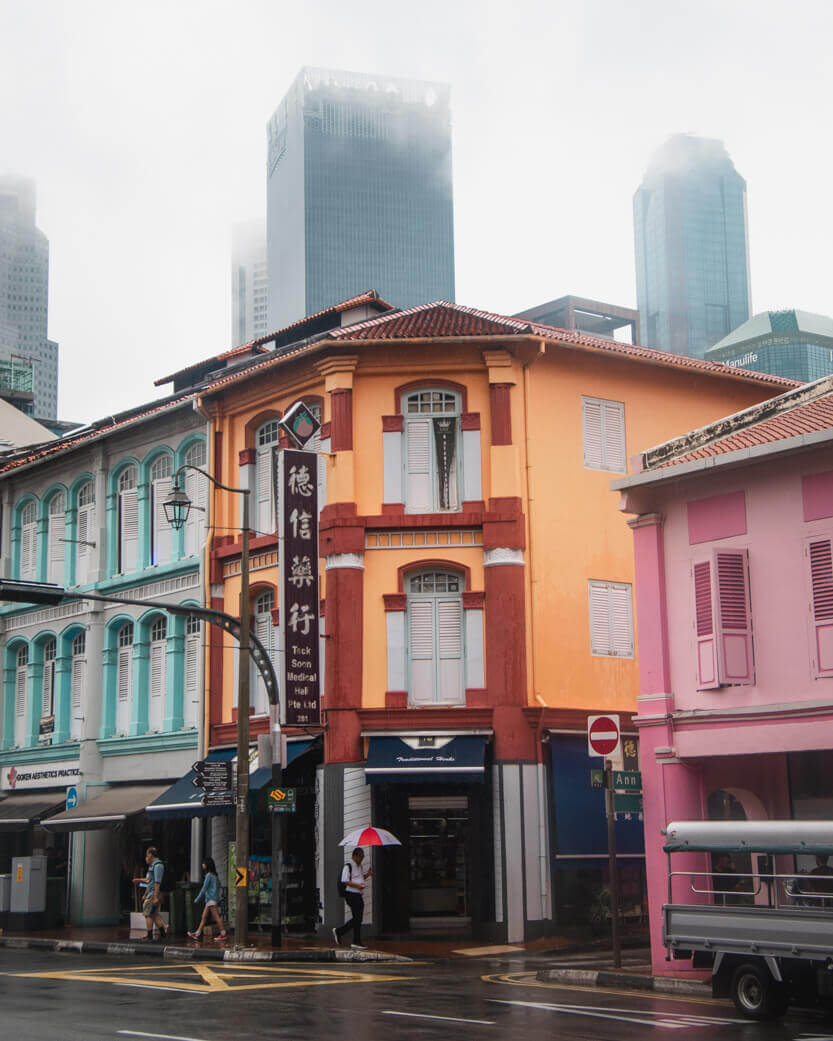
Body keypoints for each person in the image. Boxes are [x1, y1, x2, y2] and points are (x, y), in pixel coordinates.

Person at [332, 847, 372, 950]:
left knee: (358, 918)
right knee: (357, 918)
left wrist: (368, 874)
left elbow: (360, 878)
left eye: (363, 857)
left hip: (358, 894)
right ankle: (346, 935)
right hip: (351, 894)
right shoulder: (348, 866)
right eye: (361, 857)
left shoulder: (359, 866)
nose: (362, 859)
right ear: (355, 856)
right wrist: (357, 886)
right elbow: (345, 881)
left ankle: (352, 939)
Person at [132, 846, 168, 941]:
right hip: (152, 892)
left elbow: (157, 882)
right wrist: (139, 880)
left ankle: (149, 935)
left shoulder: (158, 866)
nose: (146, 858)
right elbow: (150, 881)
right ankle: (163, 933)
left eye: (147, 855)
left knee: (148, 914)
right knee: (154, 914)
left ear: (150, 855)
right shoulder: (153, 866)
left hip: (154, 893)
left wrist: (155, 897)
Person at [188, 857, 227, 942]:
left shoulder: (209, 875)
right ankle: (197, 933)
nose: (202, 865)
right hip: (212, 899)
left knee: (216, 917)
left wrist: (197, 899)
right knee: (204, 917)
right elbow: (218, 885)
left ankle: (223, 934)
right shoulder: (215, 876)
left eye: (203, 863)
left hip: (211, 899)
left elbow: (204, 888)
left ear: (207, 865)